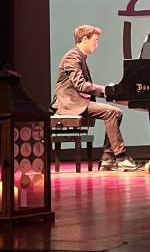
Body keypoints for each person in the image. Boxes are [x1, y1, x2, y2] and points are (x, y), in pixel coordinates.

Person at [50, 25, 140, 171]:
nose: (96, 45)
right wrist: (106, 91)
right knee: (111, 113)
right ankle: (121, 157)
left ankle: (107, 158)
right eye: (95, 40)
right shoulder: (72, 56)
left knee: (117, 112)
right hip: (69, 103)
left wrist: (110, 92)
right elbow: (80, 85)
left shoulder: (80, 57)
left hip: (77, 101)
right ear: (84, 39)